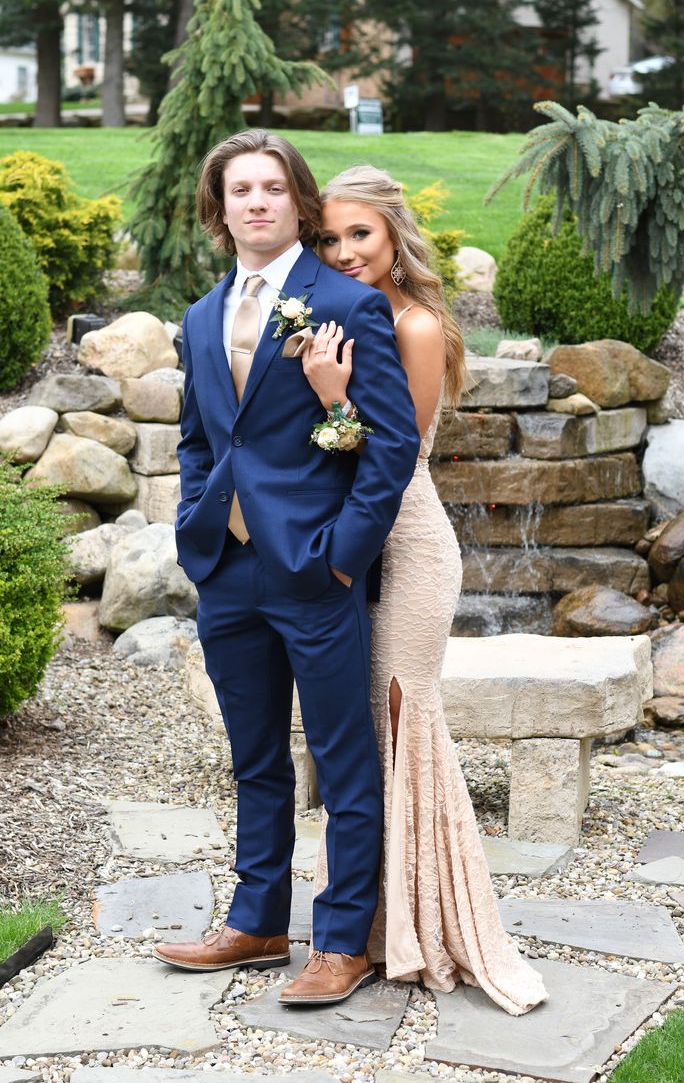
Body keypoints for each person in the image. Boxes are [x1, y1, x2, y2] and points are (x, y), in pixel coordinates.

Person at [152, 132, 420, 1007]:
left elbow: (388, 446)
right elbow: (201, 438)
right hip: (225, 568)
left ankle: (342, 940)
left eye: (273, 187)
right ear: (219, 207)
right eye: (241, 189)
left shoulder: (344, 301)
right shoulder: (199, 316)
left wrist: (342, 559)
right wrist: (198, 527)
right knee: (255, 757)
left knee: (344, 762)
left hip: (313, 570)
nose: (257, 202)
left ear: (298, 202)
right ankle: (256, 919)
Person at [302, 165, 547, 1015]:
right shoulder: (339, 315)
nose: (343, 252)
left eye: (359, 234)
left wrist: (330, 398)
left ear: (395, 234)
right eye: (328, 238)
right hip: (358, 548)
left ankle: (419, 923)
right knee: (365, 730)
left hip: (407, 544)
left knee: (399, 716)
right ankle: (368, 922)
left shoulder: (414, 325)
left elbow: (389, 458)